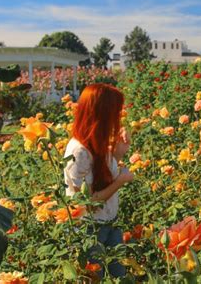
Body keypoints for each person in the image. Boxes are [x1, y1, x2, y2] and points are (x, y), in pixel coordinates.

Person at [63, 83, 134, 278]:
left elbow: (102, 177)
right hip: (90, 230)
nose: (118, 117)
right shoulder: (78, 151)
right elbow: (90, 201)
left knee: (120, 277)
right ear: (101, 114)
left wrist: (119, 151)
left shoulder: (96, 140)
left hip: (109, 222)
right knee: (94, 278)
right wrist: (121, 180)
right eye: (115, 112)